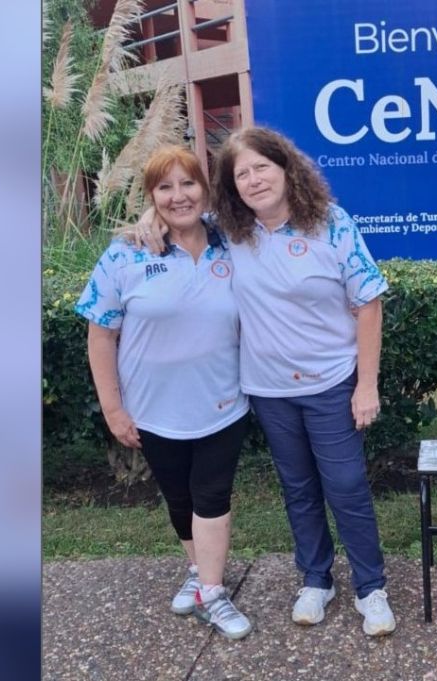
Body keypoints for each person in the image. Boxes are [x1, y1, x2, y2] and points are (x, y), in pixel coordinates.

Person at [137, 127, 396, 636]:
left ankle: (372, 589)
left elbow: (368, 304)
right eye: (242, 174)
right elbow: (178, 213)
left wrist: (367, 385)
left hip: (331, 384)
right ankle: (316, 580)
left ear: (286, 168)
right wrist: (152, 215)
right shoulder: (229, 232)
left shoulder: (331, 224)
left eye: (262, 167)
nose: (254, 180)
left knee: (345, 487)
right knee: (298, 489)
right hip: (269, 390)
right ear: (232, 187)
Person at [75, 145, 253, 640]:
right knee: (178, 498)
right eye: (165, 187)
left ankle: (213, 594)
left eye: (188, 183)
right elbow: (101, 334)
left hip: (223, 402)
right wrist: (113, 409)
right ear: (152, 196)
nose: (179, 196)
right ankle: (198, 572)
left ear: (206, 188)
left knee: (211, 495)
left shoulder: (232, 240)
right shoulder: (127, 252)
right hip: (153, 409)